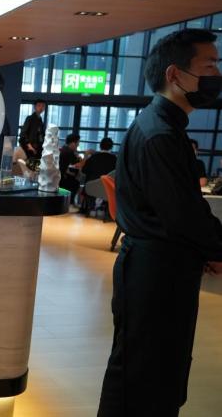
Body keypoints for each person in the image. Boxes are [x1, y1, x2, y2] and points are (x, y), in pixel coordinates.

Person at [97, 29, 222, 417]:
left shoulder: (162, 126)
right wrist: (216, 249)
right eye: (210, 65)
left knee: (153, 372)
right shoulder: (160, 135)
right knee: (144, 378)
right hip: (156, 274)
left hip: (161, 268)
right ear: (175, 74)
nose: (217, 74)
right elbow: (182, 214)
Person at [58, 133, 85, 205]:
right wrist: (86, 155)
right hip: (65, 179)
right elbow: (80, 164)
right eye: (77, 143)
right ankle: (70, 204)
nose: (78, 145)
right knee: (76, 183)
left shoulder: (64, 149)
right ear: (73, 143)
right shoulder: (69, 151)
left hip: (61, 177)